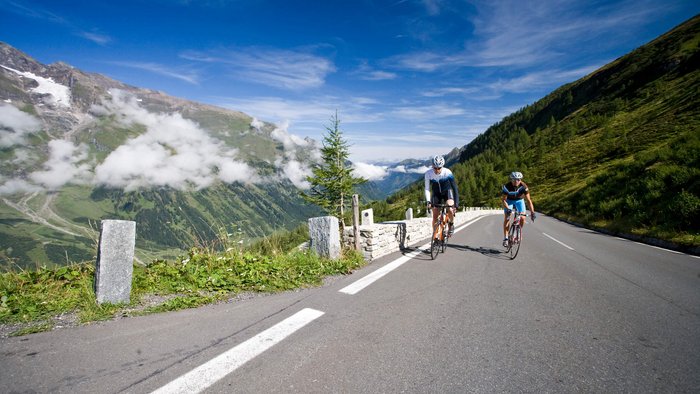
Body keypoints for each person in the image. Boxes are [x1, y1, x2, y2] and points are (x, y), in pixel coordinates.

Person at [424, 155, 459, 237]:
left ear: (442, 166)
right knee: (435, 216)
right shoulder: (428, 174)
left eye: (439, 168)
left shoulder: (448, 172)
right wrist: (428, 201)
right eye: (435, 168)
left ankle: (451, 224)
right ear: (432, 166)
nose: (437, 170)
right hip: (436, 194)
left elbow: (455, 189)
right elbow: (427, 189)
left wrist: (456, 204)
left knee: (450, 209)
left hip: (447, 191)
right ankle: (435, 237)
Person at [501, 171, 536, 247]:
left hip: (519, 200)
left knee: (522, 218)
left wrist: (532, 212)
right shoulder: (507, 187)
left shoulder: (524, 186)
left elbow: (528, 200)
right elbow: (503, 200)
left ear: (520, 180)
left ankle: (519, 232)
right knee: (507, 218)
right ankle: (506, 238)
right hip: (509, 201)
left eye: (518, 179)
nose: (516, 181)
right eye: (514, 179)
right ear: (511, 179)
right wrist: (508, 209)